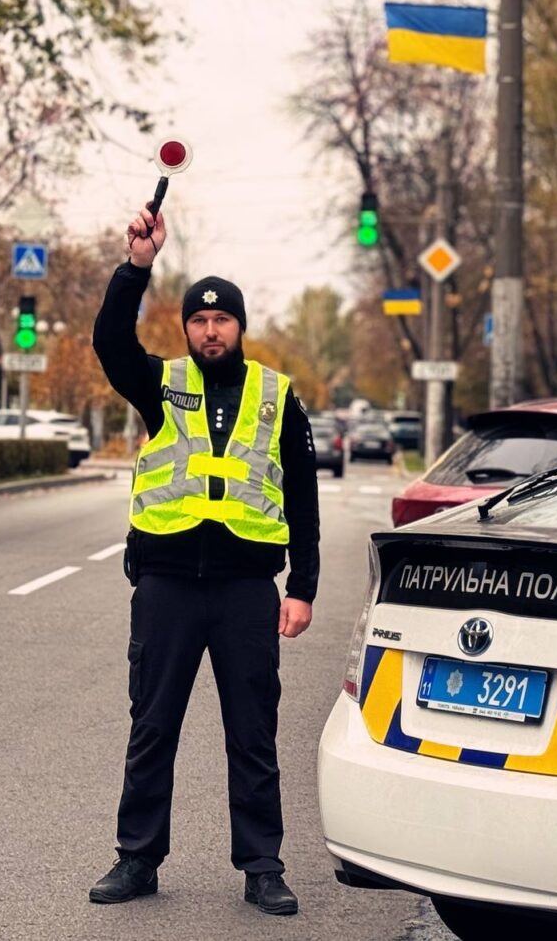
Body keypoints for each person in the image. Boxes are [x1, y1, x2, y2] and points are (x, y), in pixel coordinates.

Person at [88, 205, 319, 916]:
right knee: (152, 724)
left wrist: (302, 586)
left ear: (239, 328)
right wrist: (136, 267)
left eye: (222, 320)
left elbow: (303, 498)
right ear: (185, 328)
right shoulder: (160, 385)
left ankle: (261, 866)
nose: (211, 330)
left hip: (248, 589)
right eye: (199, 320)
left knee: (253, 731)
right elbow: (107, 341)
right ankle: (137, 858)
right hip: (166, 587)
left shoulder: (278, 397)